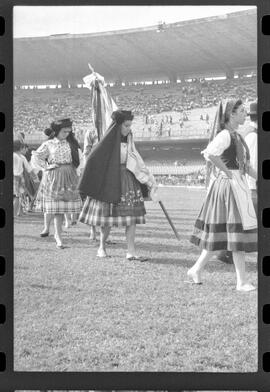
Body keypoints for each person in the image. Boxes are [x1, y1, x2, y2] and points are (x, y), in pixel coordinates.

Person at [188, 99, 257, 292]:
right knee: (237, 234)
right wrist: (227, 172)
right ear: (231, 115)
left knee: (224, 234)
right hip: (229, 187)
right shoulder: (226, 135)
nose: (245, 115)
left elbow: (245, 167)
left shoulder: (237, 136)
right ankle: (241, 281)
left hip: (236, 184)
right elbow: (210, 153)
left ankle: (196, 269)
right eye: (242, 111)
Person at [78, 110, 159, 259]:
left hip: (128, 180)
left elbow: (137, 161)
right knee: (107, 218)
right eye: (126, 125)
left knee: (131, 218)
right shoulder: (107, 142)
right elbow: (92, 159)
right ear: (118, 125)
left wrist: (148, 179)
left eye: (130, 125)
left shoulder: (129, 140)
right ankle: (102, 247)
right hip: (110, 181)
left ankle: (131, 251)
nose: (129, 128)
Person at [31, 118, 82, 248]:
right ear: (57, 131)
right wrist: (46, 167)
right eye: (64, 131)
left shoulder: (72, 144)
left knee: (61, 208)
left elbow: (80, 159)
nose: (67, 134)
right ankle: (55, 234)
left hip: (69, 176)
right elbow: (36, 156)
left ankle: (58, 235)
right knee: (55, 207)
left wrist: (78, 171)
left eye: (69, 131)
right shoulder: (49, 144)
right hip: (53, 176)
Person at [13, 140, 38, 217]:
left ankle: (18, 212)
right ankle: (14, 214)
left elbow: (28, 168)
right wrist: (35, 177)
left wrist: (34, 176)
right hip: (18, 177)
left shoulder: (19, 156)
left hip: (18, 177)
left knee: (19, 196)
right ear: (19, 147)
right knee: (17, 196)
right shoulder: (18, 156)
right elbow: (29, 169)